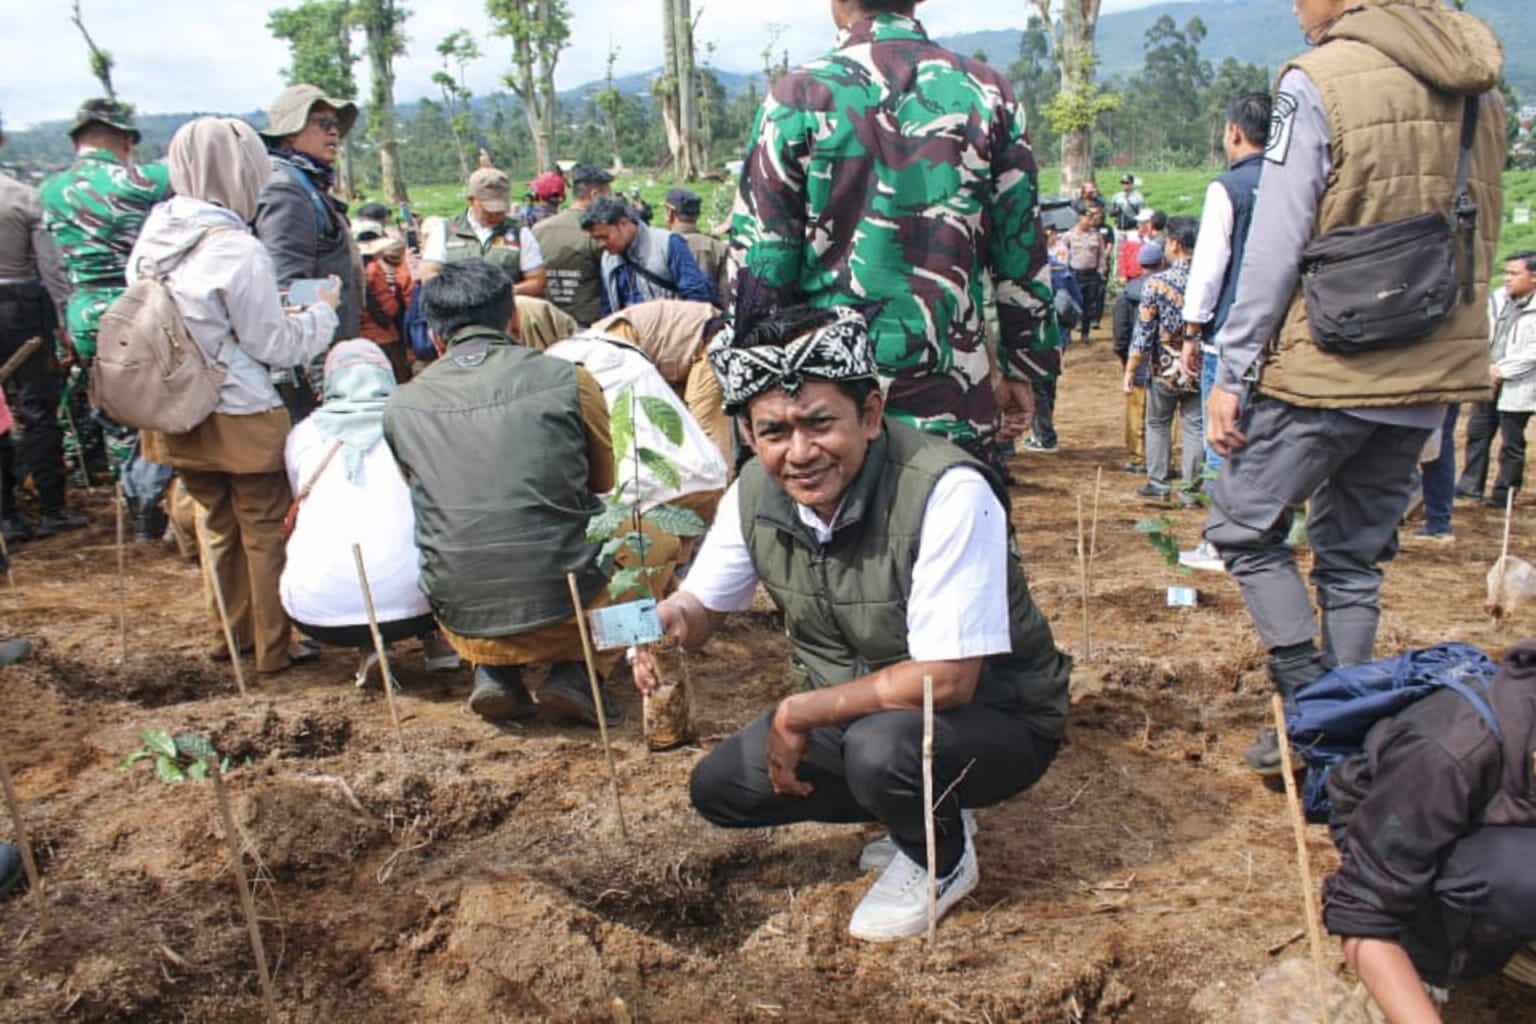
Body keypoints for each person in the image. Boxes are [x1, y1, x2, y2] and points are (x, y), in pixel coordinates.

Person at [633, 304, 1070, 942]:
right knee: (722, 788)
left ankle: (941, 858)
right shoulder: (755, 490)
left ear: (869, 414)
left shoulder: (945, 490)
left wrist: (799, 712)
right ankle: (919, 803)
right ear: (748, 435)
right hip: (864, 713)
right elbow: (700, 608)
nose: (800, 453)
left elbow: (948, 681)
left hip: (996, 715)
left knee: (882, 752)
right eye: (774, 431)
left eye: (820, 423)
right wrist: (665, 622)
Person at [1202, 0, 1505, 775]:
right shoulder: (1479, 86)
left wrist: (1233, 369)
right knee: (1353, 560)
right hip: (1426, 369)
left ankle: (1310, 706)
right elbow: (1483, 229)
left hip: (1329, 362)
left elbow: (1276, 241)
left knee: (1241, 526)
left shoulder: (1316, 81)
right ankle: (1344, 725)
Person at [729, 0, 1060, 461]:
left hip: (828, 413)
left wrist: (755, 389)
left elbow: (763, 265)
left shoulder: (797, 98)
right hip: (953, 398)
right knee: (951, 503)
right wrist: (1025, 365)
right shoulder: (985, 92)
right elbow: (1021, 250)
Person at [132, 116, 340, 676]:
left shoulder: (155, 236)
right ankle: (275, 646)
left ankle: (229, 635)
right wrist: (321, 313)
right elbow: (274, 344)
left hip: (175, 408)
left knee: (215, 523)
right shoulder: (236, 248)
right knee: (264, 527)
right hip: (239, 411)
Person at [383, 258, 623, 726]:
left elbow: (425, 489)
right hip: (567, 605)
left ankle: (493, 670)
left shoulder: (400, 404)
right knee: (651, 539)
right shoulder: (568, 378)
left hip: (461, 614)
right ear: (514, 318)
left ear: (434, 336)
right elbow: (603, 481)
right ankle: (585, 669)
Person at [1323, 641, 1536, 1019]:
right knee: (1521, 875)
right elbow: (1362, 911)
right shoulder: (1447, 751)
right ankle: (1429, 962)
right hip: (1407, 837)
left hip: (1501, 829)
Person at [280, 340, 459, 682]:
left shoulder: (303, 434)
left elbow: (300, 501)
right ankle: (436, 641)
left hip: (321, 612)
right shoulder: (418, 425)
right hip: (425, 603)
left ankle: (370, 649)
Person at [40, 98, 173, 538]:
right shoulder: (143, 180)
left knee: (113, 412)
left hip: (83, 311)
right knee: (157, 411)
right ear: (125, 140)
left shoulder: (49, 190)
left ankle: (131, 499)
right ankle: (154, 501)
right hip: (137, 306)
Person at [254, 84, 364, 420]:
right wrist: (320, 375)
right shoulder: (286, 190)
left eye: (336, 125)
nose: (334, 132)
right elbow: (286, 289)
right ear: (290, 133)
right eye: (322, 123)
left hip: (324, 350)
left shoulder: (305, 184)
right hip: (310, 363)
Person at [0, 115, 74, 543]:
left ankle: (7, 515)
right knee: (38, 410)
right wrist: (63, 321)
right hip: (22, 308)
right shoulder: (22, 197)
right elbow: (51, 268)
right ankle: (51, 508)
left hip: (21, 303)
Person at [591, 299, 732, 466]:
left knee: (703, 421)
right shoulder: (596, 345)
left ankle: (720, 477)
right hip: (684, 356)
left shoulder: (606, 345)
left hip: (710, 339)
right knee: (681, 426)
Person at [1126, 217, 1203, 506]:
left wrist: (1131, 368)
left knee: (1158, 423)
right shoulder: (1211, 280)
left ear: (1175, 244)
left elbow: (1144, 332)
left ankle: (1158, 482)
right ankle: (1191, 489)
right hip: (1199, 364)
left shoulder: (1157, 283)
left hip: (1165, 366)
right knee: (1195, 426)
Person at [1456, 253, 1536, 508]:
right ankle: (1469, 488)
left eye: (1514, 273)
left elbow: (1532, 353)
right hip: (1487, 377)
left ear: (1533, 278)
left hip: (1517, 382)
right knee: (1477, 434)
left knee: (1512, 442)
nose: (1508, 278)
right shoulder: (1496, 299)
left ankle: (1504, 495)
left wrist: (1500, 371)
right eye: (1506, 272)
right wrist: (1484, 368)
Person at [419, 168, 547, 299]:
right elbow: (429, 275)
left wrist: (506, 293)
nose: (495, 215)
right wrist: (457, 296)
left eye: (500, 210)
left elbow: (537, 280)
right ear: (471, 200)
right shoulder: (445, 230)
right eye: (488, 210)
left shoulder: (520, 232)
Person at [582, 196, 714, 315]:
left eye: (604, 237)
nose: (600, 244)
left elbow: (697, 296)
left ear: (623, 223)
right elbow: (608, 307)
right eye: (596, 239)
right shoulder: (607, 259)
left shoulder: (667, 244)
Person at [532, 164, 612, 326]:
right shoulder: (598, 232)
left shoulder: (537, 230)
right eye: (608, 196)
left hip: (547, 324)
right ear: (595, 195)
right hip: (590, 325)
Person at [1113, 242, 1163, 475]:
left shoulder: (1128, 293)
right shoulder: (1169, 288)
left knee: (1136, 411)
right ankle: (1162, 458)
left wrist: (1124, 358)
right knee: (1163, 415)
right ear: (1161, 262)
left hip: (1137, 359)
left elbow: (1121, 330)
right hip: (1164, 361)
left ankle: (1138, 457)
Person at [354, 218, 415, 383]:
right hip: (384, 336)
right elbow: (389, 307)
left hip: (361, 336)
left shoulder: (351, 268)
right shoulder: (374, 269)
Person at [664, 187, 727, 306]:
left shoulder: (662, 245)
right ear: (698, 215)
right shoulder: (719, 247)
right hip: (710, 314)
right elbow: (725, 294)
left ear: (670, 214)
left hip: (673, 315)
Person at [1059, 203, 1109, 346]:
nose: (1090, 220)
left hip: (1092, 275)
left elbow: (1101, 255)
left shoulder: (1097, 235)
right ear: (1080, 219)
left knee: (1089, 305)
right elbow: (1062, 254)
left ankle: (1085, 334)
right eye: (1087, 218)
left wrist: (1101, 270)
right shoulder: (1069, 235)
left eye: (1091, 218)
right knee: (1072, 304)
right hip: (1075, 274)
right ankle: (1068, 333)